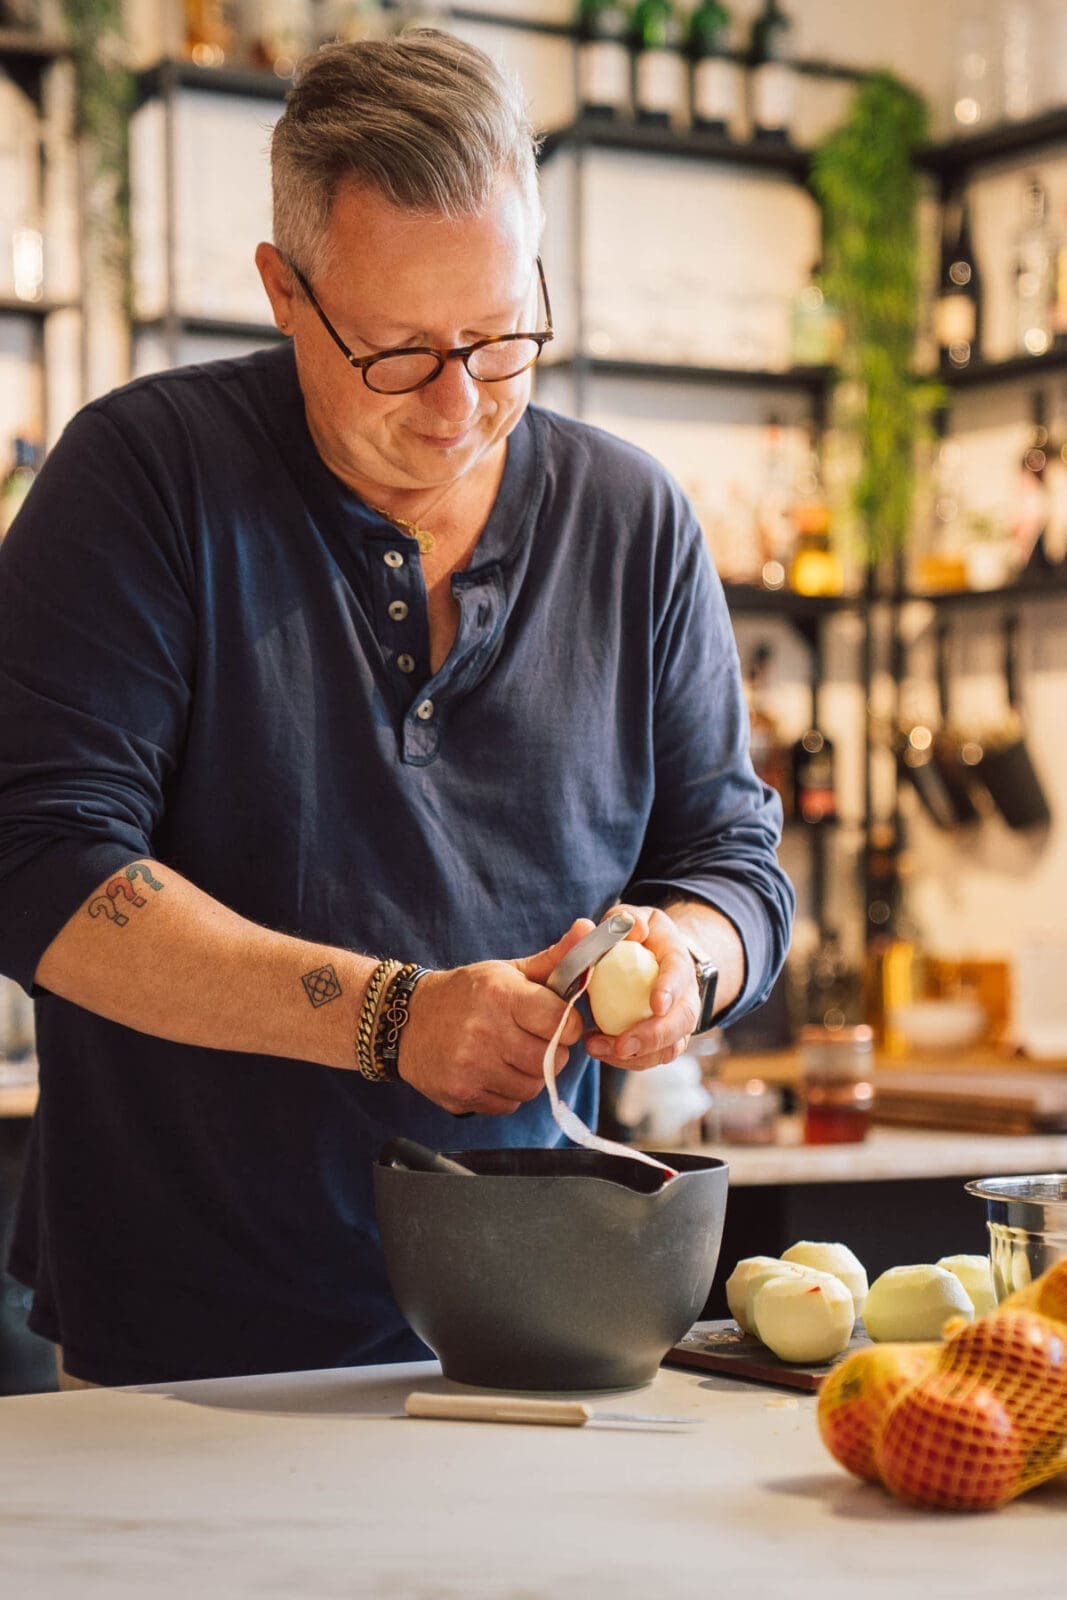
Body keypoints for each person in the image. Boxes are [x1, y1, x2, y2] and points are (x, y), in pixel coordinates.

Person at [0, 30, 793, 1387]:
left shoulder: (634, 522)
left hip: (544, 1332)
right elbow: (36, 863)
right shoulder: (144, 479)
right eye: (400, 353)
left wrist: (685, 964)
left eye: (501, 337)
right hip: (187, 1359)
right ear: (285, 295)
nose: (459, 407)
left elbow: (733, 864)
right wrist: (390, 1016)